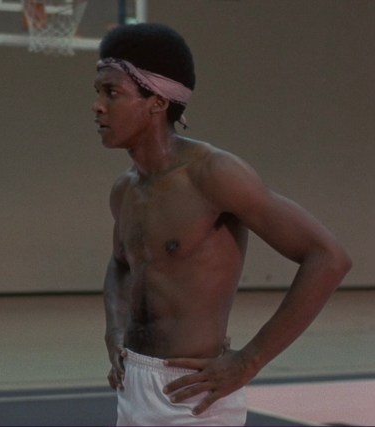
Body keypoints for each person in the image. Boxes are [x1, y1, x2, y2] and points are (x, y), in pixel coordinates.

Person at [94, 23, 351, 425]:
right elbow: (121, 264)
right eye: (98, 92)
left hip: (194, 395)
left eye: (112, 92)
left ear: (157, 102)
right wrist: (114, 332)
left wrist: (249, 360)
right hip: (134, 385)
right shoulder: (124, 189)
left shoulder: (213, 173)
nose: (97, 106)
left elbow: (328, 258)